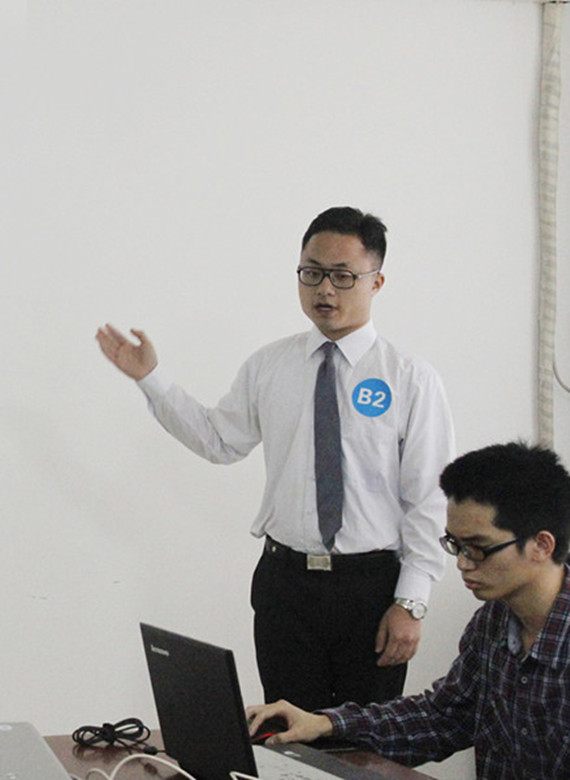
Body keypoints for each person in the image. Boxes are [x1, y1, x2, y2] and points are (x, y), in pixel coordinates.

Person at [96, 206, 455, 710]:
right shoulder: (270, 366)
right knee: (287, 732)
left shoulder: (410, 378)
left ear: (376, 282)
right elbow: (219, 440)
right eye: (312, 273)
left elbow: (429, 498)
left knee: (366, 737)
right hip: (286, 586)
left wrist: (411, 601)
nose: (324, 289)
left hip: (371, 588)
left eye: (342, 276)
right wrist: (150, 379)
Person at [246, 441, 570, 780]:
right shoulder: (493, 622)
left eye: (478, 548)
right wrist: (324, 724)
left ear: (541, 545)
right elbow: (440, 717)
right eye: (455, 545)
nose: (462, 563)